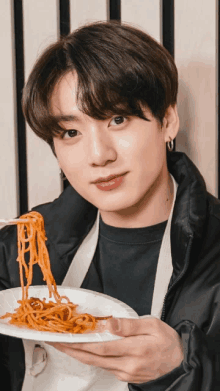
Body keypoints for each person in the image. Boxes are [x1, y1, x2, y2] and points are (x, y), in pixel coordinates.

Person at [1, 21, 220, 391]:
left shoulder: (212, 256)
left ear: (168, 121)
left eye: (118, 119)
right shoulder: (19, 251)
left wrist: (184, 370)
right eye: (71, 133)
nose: (99, 156)